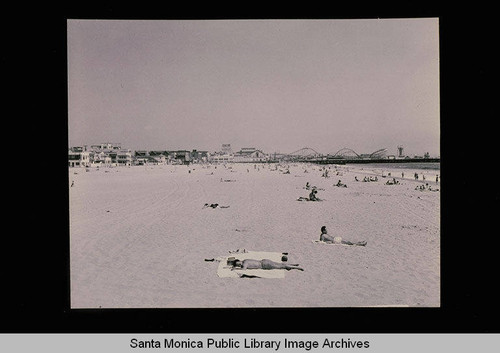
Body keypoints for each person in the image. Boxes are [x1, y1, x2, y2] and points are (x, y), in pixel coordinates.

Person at [229, 258, 304, 271]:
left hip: (264, 265)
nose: (239, 265)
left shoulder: (244, 263)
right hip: (264, 261)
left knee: (281, 267)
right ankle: (294, 264)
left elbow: (243, 269)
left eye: (238, 264)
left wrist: (235, 268)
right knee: (280, 264)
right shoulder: (245, 260)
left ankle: (297, 268)